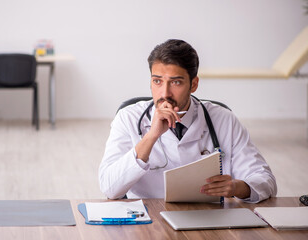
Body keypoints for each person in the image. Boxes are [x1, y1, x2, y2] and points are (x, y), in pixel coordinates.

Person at [99, 39, 277, 203]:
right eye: (157, 81)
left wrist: (238, 187)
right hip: (148, 221)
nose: (165, 93)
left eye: (176, 82)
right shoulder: (128, 118)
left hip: (208, 219)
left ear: (194, 84)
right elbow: (109, 188)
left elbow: (265, 180)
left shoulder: (223, 119)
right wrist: (151, 137)